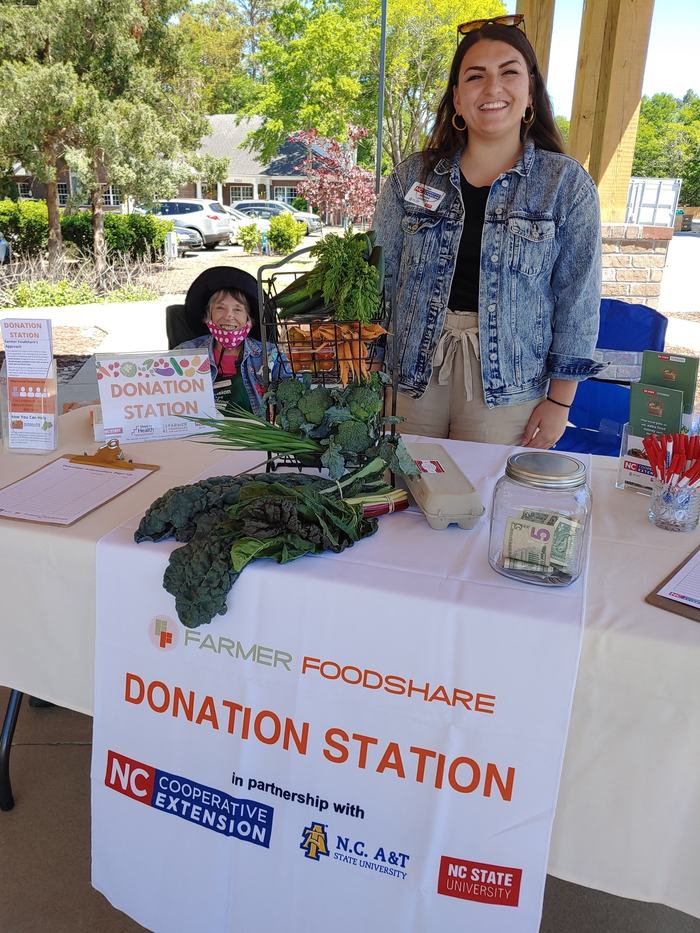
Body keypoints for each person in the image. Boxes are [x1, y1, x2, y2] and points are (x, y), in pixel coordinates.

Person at [373, 14, 603, 449]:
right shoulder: (412, 178)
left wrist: (560, 403)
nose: (493, 88)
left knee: (487, 502)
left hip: (508, 385)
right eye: (475, 76)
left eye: (509, 72)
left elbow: (578, 301)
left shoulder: (565, 185)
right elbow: (379, 282)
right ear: (457, 99)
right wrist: (368, 372)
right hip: (409, 376)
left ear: (530, 91)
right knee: (402, 495)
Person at [176, 266, 291, 414]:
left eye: (237, 309)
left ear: (250, 319)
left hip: (253, 435)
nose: (229, 315)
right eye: (220, 308)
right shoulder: (184, 354)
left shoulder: (270, 355)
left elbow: (292, 392)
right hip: (203, 435)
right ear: (206, 316)